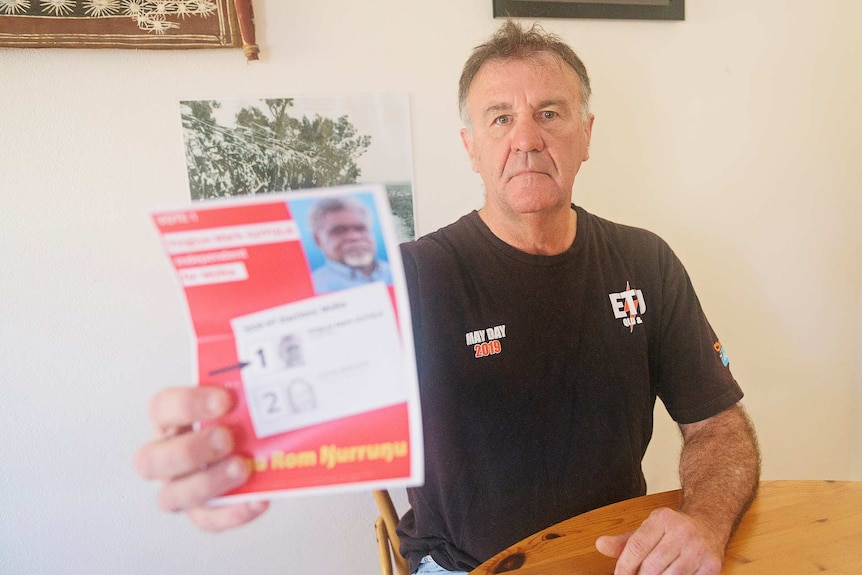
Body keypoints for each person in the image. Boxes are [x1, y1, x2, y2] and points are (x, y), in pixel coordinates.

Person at [134, 20, 760, 575]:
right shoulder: (411, 277)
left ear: (586, 133)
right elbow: (296, 409)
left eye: (549, 112)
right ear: (470, 147)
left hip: (611, 558)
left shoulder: (646, 261)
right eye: (499, 118)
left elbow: (719, 427)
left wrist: (704, 520)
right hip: (463, 566)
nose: (526, 138)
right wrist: (234, 450)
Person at [307, 196, 393, 292]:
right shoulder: (314, 287)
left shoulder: (397, 273)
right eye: (339, 230)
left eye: (360, 228)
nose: (354, 237)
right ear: (318, 240)